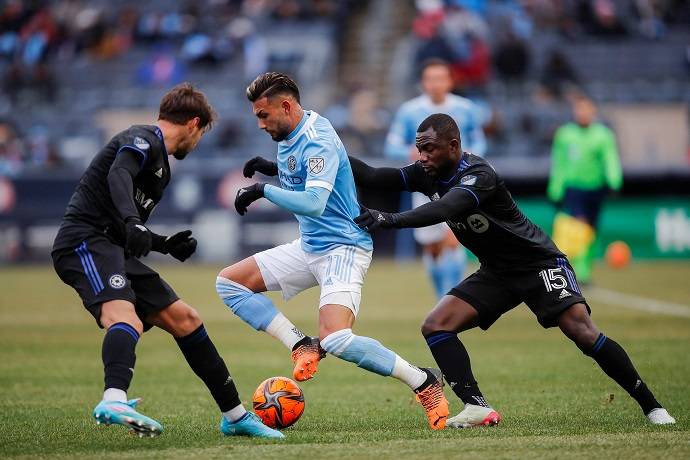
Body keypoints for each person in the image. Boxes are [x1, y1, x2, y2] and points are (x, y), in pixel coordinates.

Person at [350, 113, 675, 428]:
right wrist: (329, 149)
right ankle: (476, 406)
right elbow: (375, 176)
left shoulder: (478, 174)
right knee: (436, 325)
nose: (422, 156)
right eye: (419, 149)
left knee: (582, 333)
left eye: (429, 148)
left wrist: (389, 219)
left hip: (537, 263)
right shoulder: (426, 171)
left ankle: (652, 406)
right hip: (498, 272)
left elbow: (446, 208)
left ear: (453, 145)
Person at [216, 72, 449, 430]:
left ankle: (424, 382)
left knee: (338, 339)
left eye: (263, 115)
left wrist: (264, 190)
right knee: (228, 283)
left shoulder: (318, 136)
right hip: (310, 247)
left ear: (286, 106)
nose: (260, 124)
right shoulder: (289, 132)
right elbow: (306, 171)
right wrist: (275, 169)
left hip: (344, 247)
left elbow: (312, 202)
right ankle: (300, 344)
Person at [51, 83, 283, 439]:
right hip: (85, 241)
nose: (199, 142)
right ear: (194, 124)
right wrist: (133, 223)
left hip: (112, 245)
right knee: (122, 315)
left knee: (186, 319)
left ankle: (235, 417)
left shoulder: (162, 167)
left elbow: (125, 222)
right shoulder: (142, 138)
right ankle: (113, 398)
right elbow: (118, 175)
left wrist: (163, 244)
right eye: (202, 133)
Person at [384, 58, 487, 299]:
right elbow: (392, 145)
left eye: (440, 78)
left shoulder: (465, 108)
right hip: (426, 185)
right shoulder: (410, 111)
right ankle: (441, 297)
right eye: (430, 79)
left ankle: (454, 298)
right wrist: (409, 151)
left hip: (458, 182)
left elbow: (480, 139)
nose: (435, 84)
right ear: (423, 82)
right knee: (432, 247)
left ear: (449, 81)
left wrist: (469, 155)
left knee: (454, 239)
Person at [547, 96, 622, 284]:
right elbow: (559, 163)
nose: (583, 114)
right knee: (579, 227)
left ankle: (586, 268)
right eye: (580, 109)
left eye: (587, 110)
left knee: (592, 230)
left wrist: (614, 181)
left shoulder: (603, 135)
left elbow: (610, 158)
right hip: (574, 188)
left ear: (593, 112)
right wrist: (555, 188)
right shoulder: (565, 134)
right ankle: (578, 271)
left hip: (595, 188)